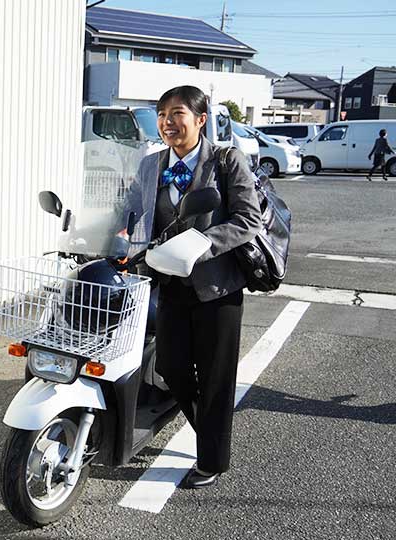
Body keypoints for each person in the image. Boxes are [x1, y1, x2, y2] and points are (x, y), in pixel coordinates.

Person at [135, 85, 262, 489]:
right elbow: (137, 215)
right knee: (171, 368)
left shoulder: (227, 160)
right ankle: (208, 430)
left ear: (200, 119)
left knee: (215, 378)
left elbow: (248, 220)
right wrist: (122, 235)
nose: (168, 123)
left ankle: (211, 459)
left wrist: (203, 243)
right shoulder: (150, 165)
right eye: (161, 115)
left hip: (217, 288)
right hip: (169, 284)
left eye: (177, 114)